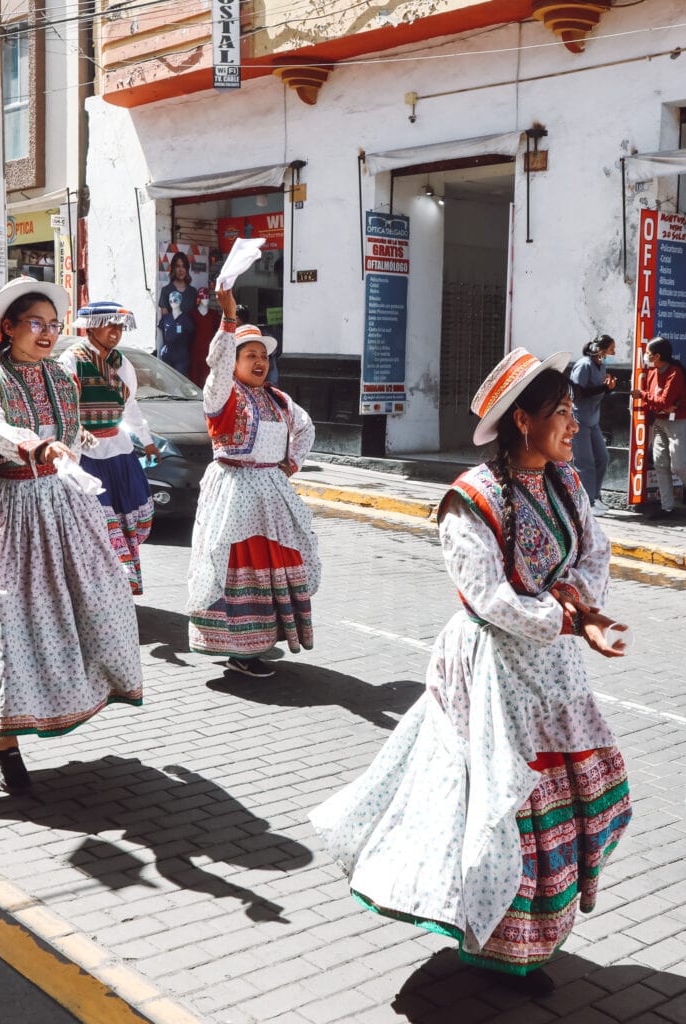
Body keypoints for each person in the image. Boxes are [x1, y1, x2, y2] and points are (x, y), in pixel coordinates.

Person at [310, 347, 631, 995]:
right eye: (561, 413)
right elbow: (486, 598)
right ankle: (499, 950)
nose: (575, 425)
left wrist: (579, 599)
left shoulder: (567, 483)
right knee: (504, 809)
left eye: (574, 411)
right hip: (492, 675)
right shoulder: (470, 500)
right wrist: (567, 618)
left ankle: (524, 940)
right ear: (521, 421)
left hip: (555, 675)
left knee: (560, 806)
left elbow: (593, 552)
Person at [0, 277, 143, 793]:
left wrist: (92, 441)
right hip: (13, 512)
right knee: (17, 622)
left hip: (64, 506)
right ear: (8, 327)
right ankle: (6, 745)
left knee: (98, 602)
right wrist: (39, 447)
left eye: (54, 325)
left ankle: (79, 693)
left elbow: (72, 430)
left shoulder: (62, 376)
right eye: (37, 324)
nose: (48, 333)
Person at [187, 287, 320, 679]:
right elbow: (217, 363)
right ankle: (238, 648)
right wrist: (228, 319)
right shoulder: (223, 395)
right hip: (233, 492)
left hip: (271, 494)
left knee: (272, 564)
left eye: (264, 356)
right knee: (236, 564)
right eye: (251, 355)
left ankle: (259, 641)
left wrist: (290, 464)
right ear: (236, 362)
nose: (260, 361)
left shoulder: (277, 399)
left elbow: (306, 427)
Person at [60, 301, 160, 594]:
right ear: (92, 327)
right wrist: (76, 438)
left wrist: (149, 442)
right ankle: (97, 589)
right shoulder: (72, 360)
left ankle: (119, 588)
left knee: (127, 522)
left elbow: (130, 407)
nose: (116, 332)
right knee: (96, 525)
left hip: (118, 453)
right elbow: (65, 411)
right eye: (110, 325)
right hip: (85, 457)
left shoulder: (122, 363)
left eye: (119, 326)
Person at [631, 336, 686, 519]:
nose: (645, 356)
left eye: (648, 353)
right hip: (660, 422)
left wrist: (643, 395)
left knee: (680, 466)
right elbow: (659, 404)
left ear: (657, 356)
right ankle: (667, 507)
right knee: (660, 463)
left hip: (678, 422)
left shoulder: (675, 373)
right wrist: (660, 405)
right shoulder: (654, 372)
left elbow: (664, 400)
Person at [570, 334, 617, 516]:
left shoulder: (601, 365)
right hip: (578, 419)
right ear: (601, 350)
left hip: (593, 419)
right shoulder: (584, 365)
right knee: (585, 462)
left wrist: (608, 389)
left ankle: (595, 497)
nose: (614, 353)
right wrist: (604, 388)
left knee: (602, 458)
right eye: (612, 349)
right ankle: (587, 502)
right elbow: (577, 392)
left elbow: (599, 392)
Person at [189, 286, 220, 388]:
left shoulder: (213, 314)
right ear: (199, 298)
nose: (205, 300)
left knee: (206, 377)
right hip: (195, 349)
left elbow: (220, 330)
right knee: (194, 376)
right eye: (203, 297)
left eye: (207, 297)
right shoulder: (192, 314)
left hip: (209, 350)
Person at [158, 251, 198, 319]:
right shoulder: (166, 291)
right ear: (173, 268)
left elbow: (196, 317)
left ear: (187, 269)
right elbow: (165, 320)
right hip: (172, 329)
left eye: (183, 266)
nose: (181, 270)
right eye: (178, 266)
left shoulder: (193, 292)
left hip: (190, 329)